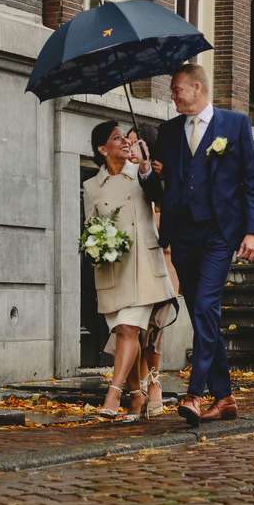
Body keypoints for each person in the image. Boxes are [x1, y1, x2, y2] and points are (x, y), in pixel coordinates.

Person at [149, 63, 254, 425]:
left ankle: (195, 393)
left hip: (219, 232)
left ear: (197, 88)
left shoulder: (235, 125)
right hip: (181, 232)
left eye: (176, 89)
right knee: (205, 314)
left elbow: (251, 183)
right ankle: (226, 396)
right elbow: (156, 192)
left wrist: (253, 232)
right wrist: (145, 171)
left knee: (205, 307)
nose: (172, 95)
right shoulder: (167, 132)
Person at [83, 121, 176, 420]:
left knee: (128, 329)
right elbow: (90, 227)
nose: (125, 141)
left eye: (126, 136)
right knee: (127, 333)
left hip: (144, 266)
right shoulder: (91, 186)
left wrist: (146, 164)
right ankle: (137, 396)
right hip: (113, 269)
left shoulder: (141, 173)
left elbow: (159, 197)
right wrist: (97, 244)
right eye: (116, 138)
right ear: (102, 148)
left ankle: (114, 394)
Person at [126, 124, 177, 414]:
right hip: (135, 261)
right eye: (129, 144)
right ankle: (140, 386)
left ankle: (154, 382)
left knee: (155, 326)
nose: (132, 149)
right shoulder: (126, 175)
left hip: (163, 258)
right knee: (135, 328)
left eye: (138, 144)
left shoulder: (163, 173)